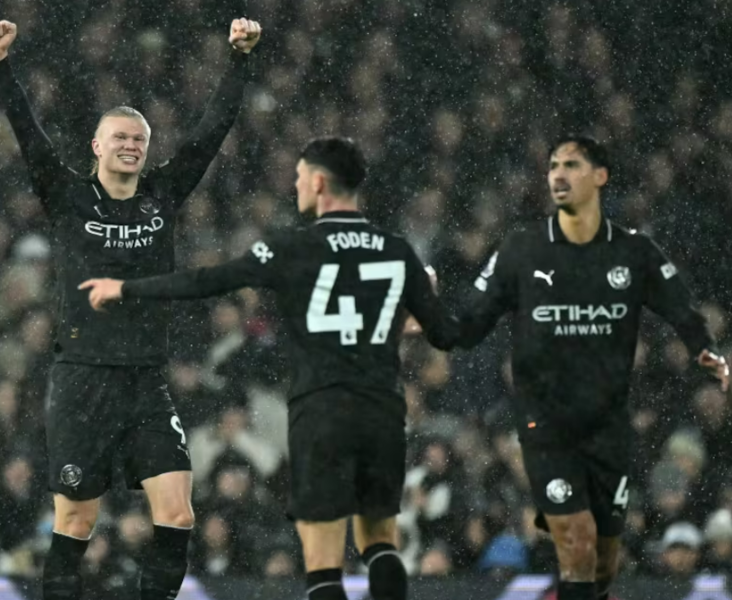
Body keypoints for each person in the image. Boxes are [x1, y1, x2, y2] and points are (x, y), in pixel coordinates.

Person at [81, 137, 459, 600]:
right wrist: (417, 317)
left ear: (319, 182)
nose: (295, 184)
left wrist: (128, 288)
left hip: (320, 409)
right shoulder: (397, 251)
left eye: (300, 176)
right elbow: (444, 333)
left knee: (322, 563)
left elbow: (209, 279)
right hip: (380, 408)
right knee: (381, 544)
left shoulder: (291, 247)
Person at [0, 17, 262, 600]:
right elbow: (28, 132)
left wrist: (239, 61)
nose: (131, 146)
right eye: (120, 138)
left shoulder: (162, 193)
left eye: (139, 139)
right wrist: (1, 65)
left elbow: (210, 134)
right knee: (76, 523)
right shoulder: (68, 196)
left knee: (178, 514)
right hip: (83, 378)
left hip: (145, 380)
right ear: (97, 147)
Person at [451, 136, 729, 600]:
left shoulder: (634, 252)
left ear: (600, 176)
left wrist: (703, 347)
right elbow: (469, 319)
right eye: (553, 165)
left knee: (601, 560)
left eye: (572, 164)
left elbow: (681, 308)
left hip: (607, 425)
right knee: (575, 542)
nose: (558, 174)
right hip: (546, 423)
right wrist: (428, 322)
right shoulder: (522, 247)